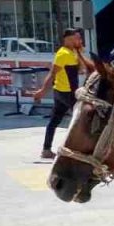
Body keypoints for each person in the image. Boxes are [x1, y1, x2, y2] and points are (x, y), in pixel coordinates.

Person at [33, 29, 93, 159]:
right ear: (68, 39)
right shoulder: (62, 54)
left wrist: (80, 53)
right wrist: (42, 91)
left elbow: (81, 69)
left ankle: (46, 149)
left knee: (54, 121)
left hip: (63, 92)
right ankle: (79, 149)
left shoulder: (73, 52)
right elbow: (52, 74)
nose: (79, 41)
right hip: (67, 93)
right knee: (81, 120)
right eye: (77, 38)